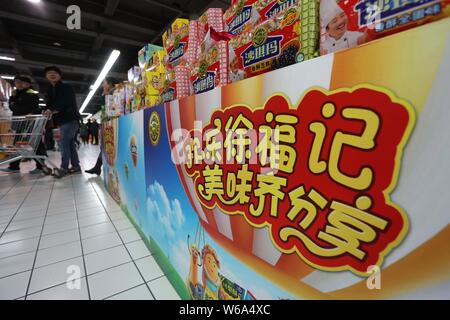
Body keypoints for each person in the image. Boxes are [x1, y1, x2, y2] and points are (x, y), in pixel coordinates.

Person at [0, 75, 48, 174]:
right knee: (19, 144)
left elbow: (24, 108)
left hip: (29, 123)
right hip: (20, 123)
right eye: (16, 82)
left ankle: (39, 166)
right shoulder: (16, 94)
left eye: (20, 82)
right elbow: (13, 108)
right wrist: (13, 98)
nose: (18, 84)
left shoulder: (30, 93)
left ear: (26, 83)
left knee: (33, 143)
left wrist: (15, 102)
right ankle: (15, 166)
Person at [43, 66, 81, 178]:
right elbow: (49, 104)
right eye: (49, 73)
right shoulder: (50, 90)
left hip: (70, 119)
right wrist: (44, 110)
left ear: (59, 75)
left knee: (63, 143)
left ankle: (64, 168)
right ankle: (76, 166)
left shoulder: (66, 88)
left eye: (55, 73)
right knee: (69, 144)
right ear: (46, 76)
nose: (52, 74)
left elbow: (65, 101)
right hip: (62, 121)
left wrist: (51, 109)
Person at [85, 77, 116, 175]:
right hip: (108, 122)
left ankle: (98, 167)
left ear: (110, 84)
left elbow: (112, 108)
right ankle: (97, 167)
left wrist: (105, 95)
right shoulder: (107, 93)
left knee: (107, 146)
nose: (103, 85)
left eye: (104, 83)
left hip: (112, 122)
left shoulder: (115, 92)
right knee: (105, 146)